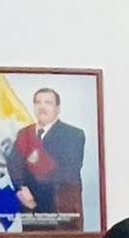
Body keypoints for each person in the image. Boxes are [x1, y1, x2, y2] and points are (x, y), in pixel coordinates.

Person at [8, 87, 86, 229]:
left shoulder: (74, 134)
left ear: (57, 108)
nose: (42, 107)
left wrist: (36, 163)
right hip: (31, 208)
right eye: (38, 102)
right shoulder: (24, 134)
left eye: (48, 103)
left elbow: (70, 171)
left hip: (61, 208)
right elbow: (14, 165)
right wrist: (21, 188)